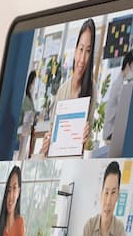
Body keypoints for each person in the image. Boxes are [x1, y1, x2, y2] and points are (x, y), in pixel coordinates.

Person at [41, 18, 98, 157]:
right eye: (81, 49)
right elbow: (51, 134)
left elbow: (88, 146)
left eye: (88, 51)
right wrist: (47, 144)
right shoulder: (62, 90)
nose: (82, 58)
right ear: (75, 50)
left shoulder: (92, 89)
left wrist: (86, 141)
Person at [102, 50, 133, 144]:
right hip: (110, 132)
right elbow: (123, 106)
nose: (132, 70)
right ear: (128, 66)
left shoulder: (119, 81)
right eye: (132, 67)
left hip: (110, 130)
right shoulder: (119, 84)